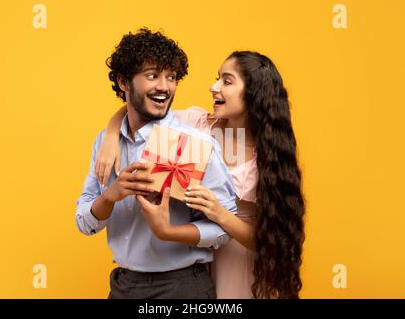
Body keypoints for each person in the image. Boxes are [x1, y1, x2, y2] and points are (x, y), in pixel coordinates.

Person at [96, 51, 306, 298]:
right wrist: (110, 137)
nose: (213, 87)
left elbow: (273, 241)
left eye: (226, 81)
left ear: (254, 93)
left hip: (237, 266)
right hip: (191, 263)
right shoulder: (196, 124)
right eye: (217, 78)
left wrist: (219, 214)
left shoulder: (269, 158)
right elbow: (140, 106)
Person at [75, 28, 238, 299]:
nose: (164, 86)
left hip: (183, 287)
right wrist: (110, 197)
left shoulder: (193, 143)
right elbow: (84, 222)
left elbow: (224, 228)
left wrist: (170, 231)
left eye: (171, 77)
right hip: (123, 286)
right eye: (152, 75)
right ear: (124, 82)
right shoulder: (106, 142)